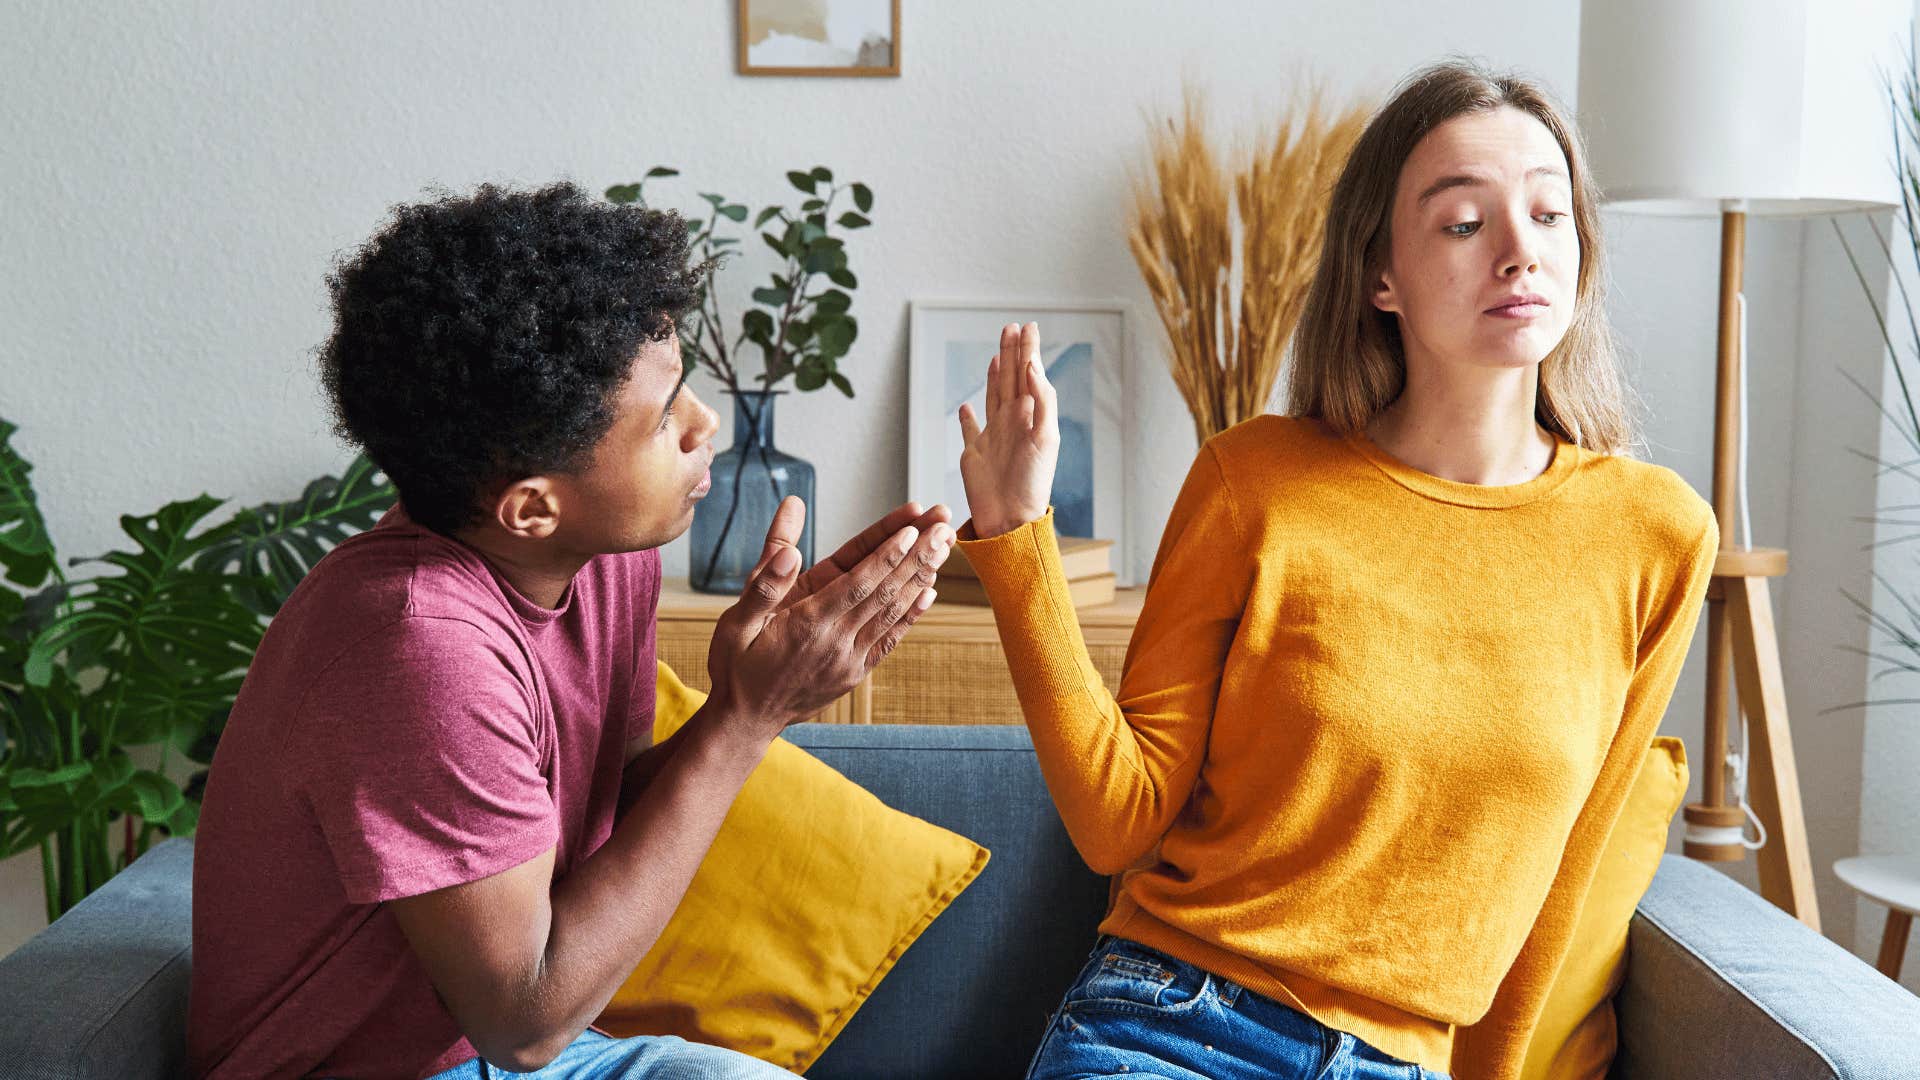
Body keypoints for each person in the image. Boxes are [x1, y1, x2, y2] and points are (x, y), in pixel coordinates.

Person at [952, 60, 1719, 1080]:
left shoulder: (1656, 536)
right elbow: (1117, 820)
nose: (1518, 252)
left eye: (1549, 214)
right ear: (1380, 276)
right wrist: (1016, 534)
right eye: (1462, 223)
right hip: (1173, 1025)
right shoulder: (1254, 481)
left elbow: (1557, 891)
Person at [186, 181, 955, 1079]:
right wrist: (748, 721)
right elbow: (526, 1021)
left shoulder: (605, 556)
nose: (706, 423)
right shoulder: (418, 646)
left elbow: (611, 820)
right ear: (532, 509)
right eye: (665, 416)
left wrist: (748, 695)